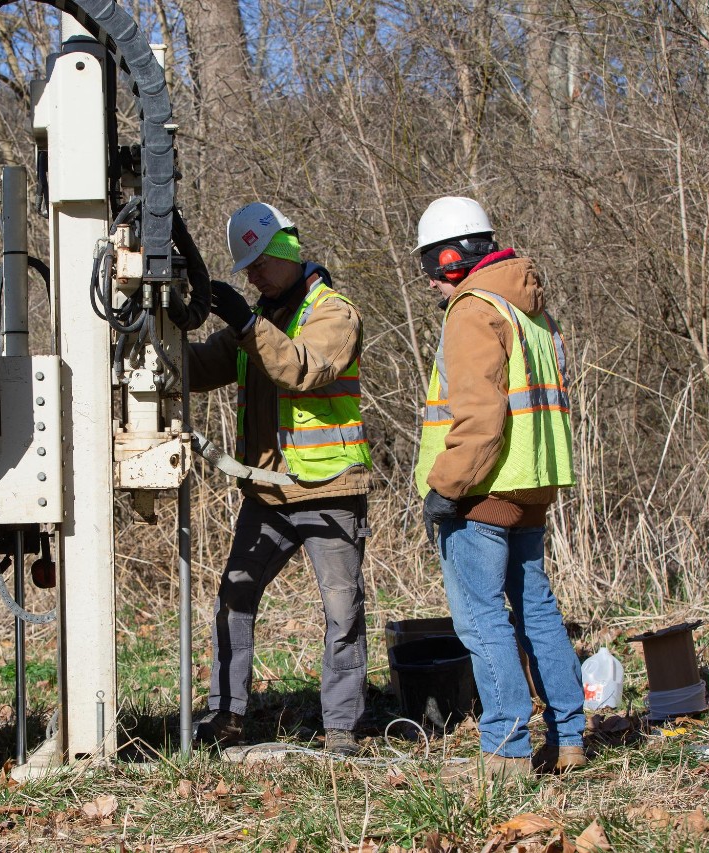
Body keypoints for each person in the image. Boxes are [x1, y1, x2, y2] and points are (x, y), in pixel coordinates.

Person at [411, 196, 586, 778]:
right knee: (536, 610)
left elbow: (481, 420)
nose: (431, 281)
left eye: (430, 266)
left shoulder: (473, 311)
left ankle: (505, 751)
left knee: (481, 619)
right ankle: (568, 739)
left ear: (452, 258)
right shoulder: (531, 311)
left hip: (480, 489)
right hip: (532, 485)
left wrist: (446, 486)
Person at [189, 202, 372, 756]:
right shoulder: (257, 326)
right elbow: (198, 370)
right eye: (247, 266)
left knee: (342, 610)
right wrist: (156, 333)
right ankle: (226, 716)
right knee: (234, 599)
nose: (253, 275)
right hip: (268, 491)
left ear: (289, 252)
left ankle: (342, 728)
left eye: (261, 261)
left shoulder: (333, 313)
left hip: (328, 489)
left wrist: (246, 324)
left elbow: (304, 368)